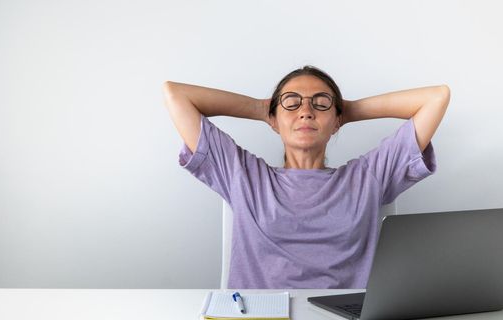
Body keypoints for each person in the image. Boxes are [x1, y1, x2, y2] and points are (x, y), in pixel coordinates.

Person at [163, 65, 450, 289]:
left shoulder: (368, 177)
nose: (306, 112)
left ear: (337, 121)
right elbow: (176, 94)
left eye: (320, 103)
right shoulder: (243, 175)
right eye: (292, 102)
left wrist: (347, 111)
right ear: (273, 120)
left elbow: (436, 97)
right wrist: (261, 109)